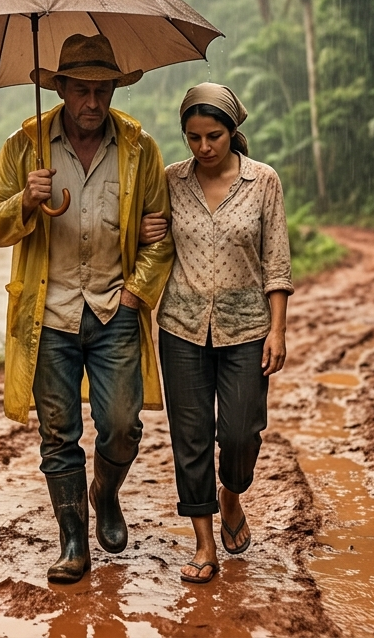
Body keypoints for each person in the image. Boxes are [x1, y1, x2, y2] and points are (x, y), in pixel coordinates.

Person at [0, 33, 174, 584]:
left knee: (120, 427)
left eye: (102, 89)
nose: (93, 102)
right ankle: (72, 542)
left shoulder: (141, 148)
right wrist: (25, 202)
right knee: (58, 434)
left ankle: (105, 492)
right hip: (49, 316)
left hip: (116, 308)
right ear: (59, 87)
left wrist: (136, 292)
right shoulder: (26, 146)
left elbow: (160, 235)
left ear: (114, 88)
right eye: (81, 89)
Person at [139, 82, 292, 585]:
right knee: (191, 437)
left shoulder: (263, 181)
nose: (203, 148)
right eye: (193, 137)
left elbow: (277, 262)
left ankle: (231, 494)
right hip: (181, 326)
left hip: (247, 328)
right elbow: (144, 232)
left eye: (214, 136)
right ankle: (204, 543)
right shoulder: (169, 180)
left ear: (233, 132)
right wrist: (142, 232)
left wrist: (278, 330)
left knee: (241, 432)